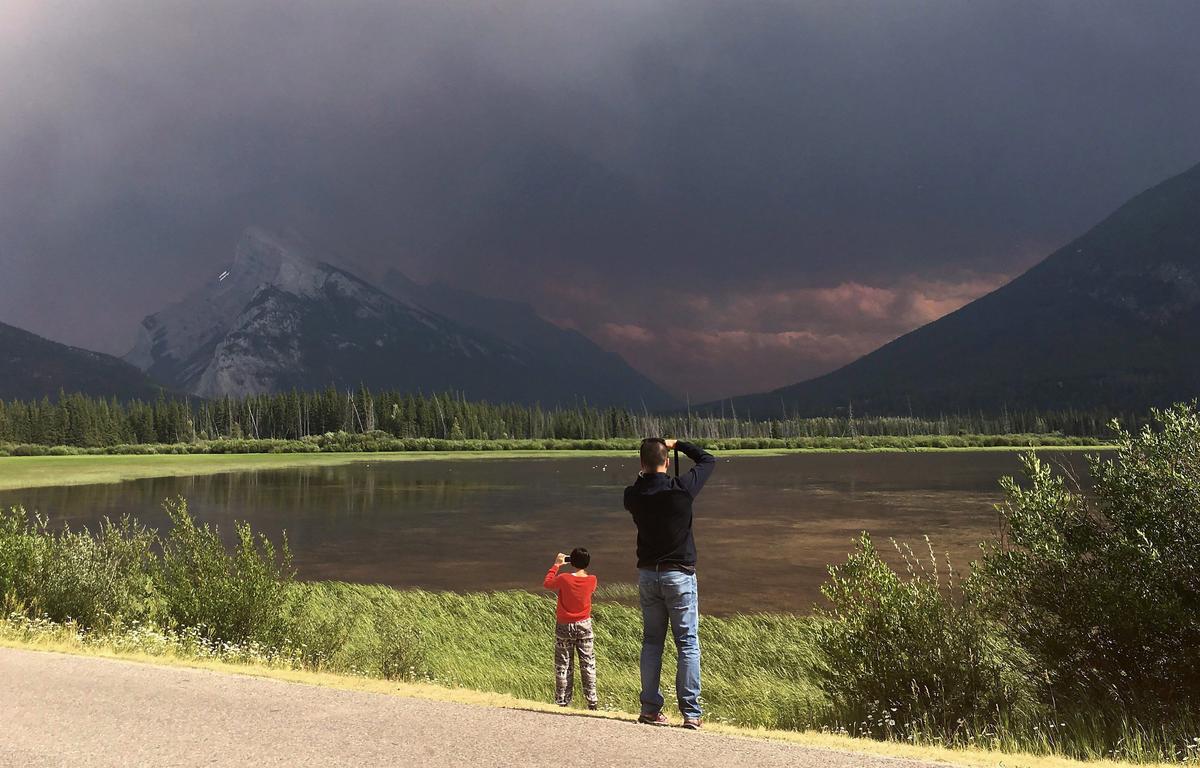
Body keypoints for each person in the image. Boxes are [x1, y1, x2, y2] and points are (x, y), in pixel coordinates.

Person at [624, 437, 716, 730]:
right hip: (680, 575)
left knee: (652, 642)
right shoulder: (681, 490)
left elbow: (640, 483)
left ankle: (650, 708)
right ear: (666, 462)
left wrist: (647, 470)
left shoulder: (633, 495)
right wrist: (679, 444)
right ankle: (690, 712)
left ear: (641, 464)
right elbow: (707, 460)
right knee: (687, 642)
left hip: (649, 575)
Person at [542, 547, 599, 710]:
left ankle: (562, 700)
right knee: (588, 663)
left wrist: (556, 565)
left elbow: (547, 583)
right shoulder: (592, 580)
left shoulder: (564, 579)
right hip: (584, 624)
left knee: (563, 663)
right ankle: (592, 700)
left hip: (564, 625)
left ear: (571, 562)